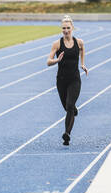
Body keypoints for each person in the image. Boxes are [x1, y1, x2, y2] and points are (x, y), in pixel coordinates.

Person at [47, 15, 88, 146]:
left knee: (69, 106)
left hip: (75, 79)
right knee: (67, 107)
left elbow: (82, 51)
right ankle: (73, 109)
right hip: (61, 80)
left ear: (73, 28)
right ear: (61, 29)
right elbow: (48, 61)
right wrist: (57, 60)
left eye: (68, 28)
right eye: (63, 28)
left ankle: (67, 134)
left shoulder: (79, 42)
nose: (66, 30)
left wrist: (82, 64)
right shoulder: (57, 44)